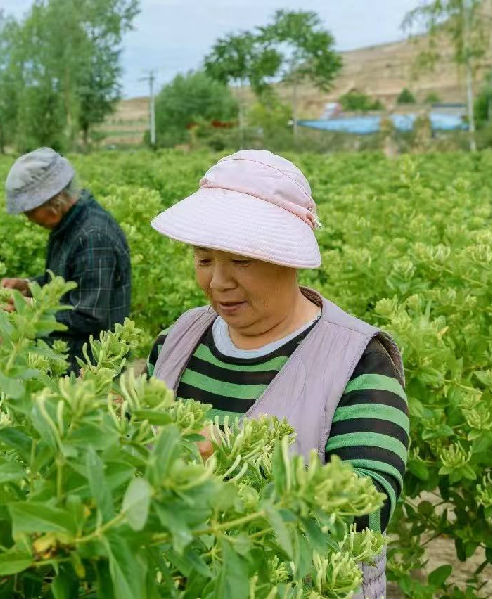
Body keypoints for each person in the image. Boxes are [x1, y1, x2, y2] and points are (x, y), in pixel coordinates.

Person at [146, 150, 407, 599]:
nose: (218, 282)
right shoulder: (177, 339)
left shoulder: (360, 359)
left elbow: (369, 506)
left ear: (289, 259)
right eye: (204, 259)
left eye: (241, 261)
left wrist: (232, 462)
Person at [1, 147, 131, 373]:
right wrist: (28, 286)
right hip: (67, 355)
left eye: (30, 210)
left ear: (54, 202)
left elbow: (89, 316)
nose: (28, 218)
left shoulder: (92, 237)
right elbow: (66, 281)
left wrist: (32, 308)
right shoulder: (69, 225)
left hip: (90, 366)